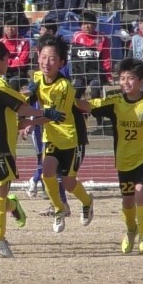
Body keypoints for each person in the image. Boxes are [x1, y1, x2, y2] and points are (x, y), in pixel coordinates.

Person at [0, 38, 59, 258]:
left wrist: (29, 98)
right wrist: (47, 113)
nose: (8, 62)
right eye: (6, 59)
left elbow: (13, 104)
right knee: (1, 190)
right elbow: (21, 107)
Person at [79, 58, 143, 255]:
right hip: (124, 159)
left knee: (141, 191)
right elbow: (88, 105)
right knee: (127, 201)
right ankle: (131, 230)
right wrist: (67, 97)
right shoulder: (115, 102)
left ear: (142, 80)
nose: (126, 82)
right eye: (122, 78)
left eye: (130, 78)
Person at [31, 35, 94, 232]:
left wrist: (29, 123)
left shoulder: (65, 87)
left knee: (68, 183)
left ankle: (86, 201)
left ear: (61, 62)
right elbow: (32, 99)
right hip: (50, 137)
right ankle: (59, 209)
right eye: (43, 57)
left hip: (71, 138)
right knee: (47, 172)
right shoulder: (36, 77)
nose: (46, 62)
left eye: (52, 58)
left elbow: (55, 116)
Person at [0, 16, 31, 81]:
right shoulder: (0, 43)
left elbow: (23, 62)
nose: (10, 29)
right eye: (7, 27)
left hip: (19, 72)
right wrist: (15, 60)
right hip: (2, 71)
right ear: (4, 28)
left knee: (14, 85)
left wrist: (7, 62)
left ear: (17, 27)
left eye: (13, 26)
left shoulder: (24, 42)